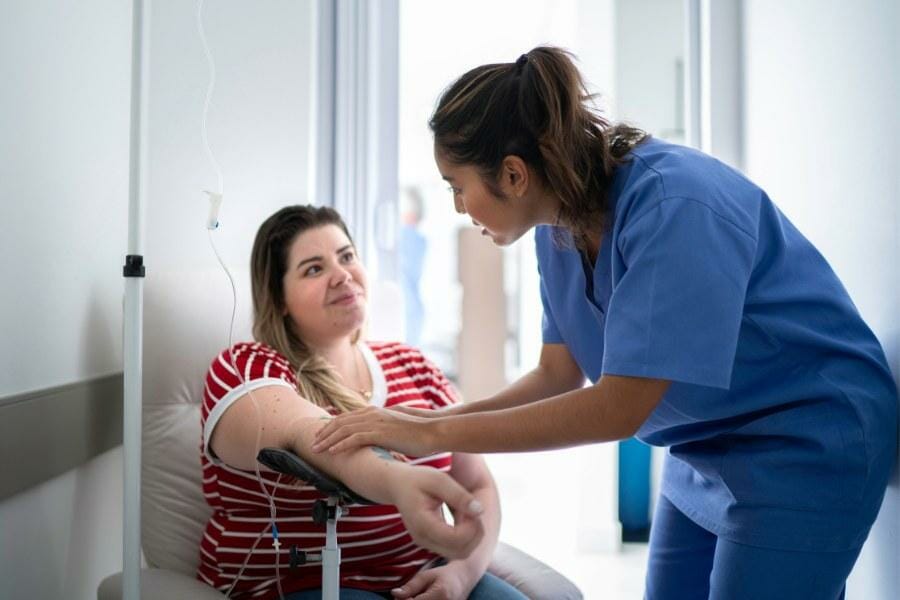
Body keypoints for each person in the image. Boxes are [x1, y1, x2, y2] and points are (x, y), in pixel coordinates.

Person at [313, 47, 899, 600]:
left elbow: (620, 408)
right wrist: (422, 420)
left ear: (513, 175)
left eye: (457, 187)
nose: (458, 207)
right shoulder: (556, 230)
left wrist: (428, 435)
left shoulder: (675, 208)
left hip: (806, 440)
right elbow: (556, 374)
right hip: (703, 444)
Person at [198, 205, 526, 600]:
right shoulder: (246, 367)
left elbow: (476, 484)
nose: (342, 275)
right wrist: (398, 480)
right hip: (307, 585)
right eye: (314, 269)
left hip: (428, 578)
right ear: (279, 298)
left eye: (347, 256)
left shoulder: (413, 365)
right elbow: (308, 434)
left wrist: (461, 573)